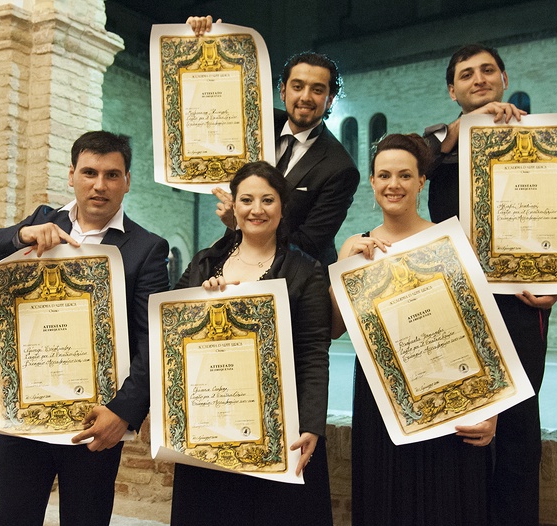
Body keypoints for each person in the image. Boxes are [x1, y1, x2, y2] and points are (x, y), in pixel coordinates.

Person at [0, 131, 169, 526]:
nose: (99, 185)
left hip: (95, 423)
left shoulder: (147, 248)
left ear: (127, 181)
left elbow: (150, 341)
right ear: (71, 174)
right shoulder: (42, 221)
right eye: (89, 172)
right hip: (24, 418)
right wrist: (19, 236)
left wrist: (122, 414)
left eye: (112, 175)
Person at [423, 44, 557, 526]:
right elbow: (413, 160)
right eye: (466, 74)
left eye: (487, 71)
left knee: (518, 430)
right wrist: (464, 129)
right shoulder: (438, 147)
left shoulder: (543, 140)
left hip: (520, 305)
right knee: (459, 425)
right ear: (452, 89)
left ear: (504, 78)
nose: (477, 79)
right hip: (454, 303)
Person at [331, 134, 496, 526]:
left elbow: (482, 332)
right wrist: (340, 266)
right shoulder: (358, 248)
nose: (394, 184)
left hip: (450, 393)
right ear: (372, 182)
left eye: (405, 175)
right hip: (381, 398)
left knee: (448, 504)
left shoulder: (451, 242)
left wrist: (493, 411)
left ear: (422, 181)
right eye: (384, 175)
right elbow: (336, 330)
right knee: (386, 502)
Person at [171, 161, 333, 526]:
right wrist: (201, 303)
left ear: (282, 207)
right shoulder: (204, 263)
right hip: (209, 425)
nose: (256, 210)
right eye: (246, 199)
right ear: (234, 206)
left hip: (280, 428)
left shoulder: (305, 270)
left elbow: (312, 352)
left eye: (267, 200)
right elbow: (172, 333)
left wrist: (311, 424)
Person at [188, 16, 360, 267]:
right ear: (282, 90)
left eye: (317, 89)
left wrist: (241, 224)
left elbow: (309, 243)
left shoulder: (340, 168)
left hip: (297, 279)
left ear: (330, 99)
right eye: (297, 86)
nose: (305, 97)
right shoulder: (254, 122)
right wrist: (202, 39)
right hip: (234, 261)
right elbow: (210, 97)